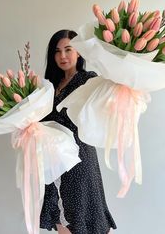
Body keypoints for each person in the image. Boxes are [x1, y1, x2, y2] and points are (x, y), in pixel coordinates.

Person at [40, 30, 117, 234]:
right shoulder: (49, 86)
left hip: (79, 158)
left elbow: (106, 102)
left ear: (79, 52)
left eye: (68, 49)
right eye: (57, 51)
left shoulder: (88, 81)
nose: (62, 56)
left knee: (82, 218)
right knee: (62, 220)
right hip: (52, 159)